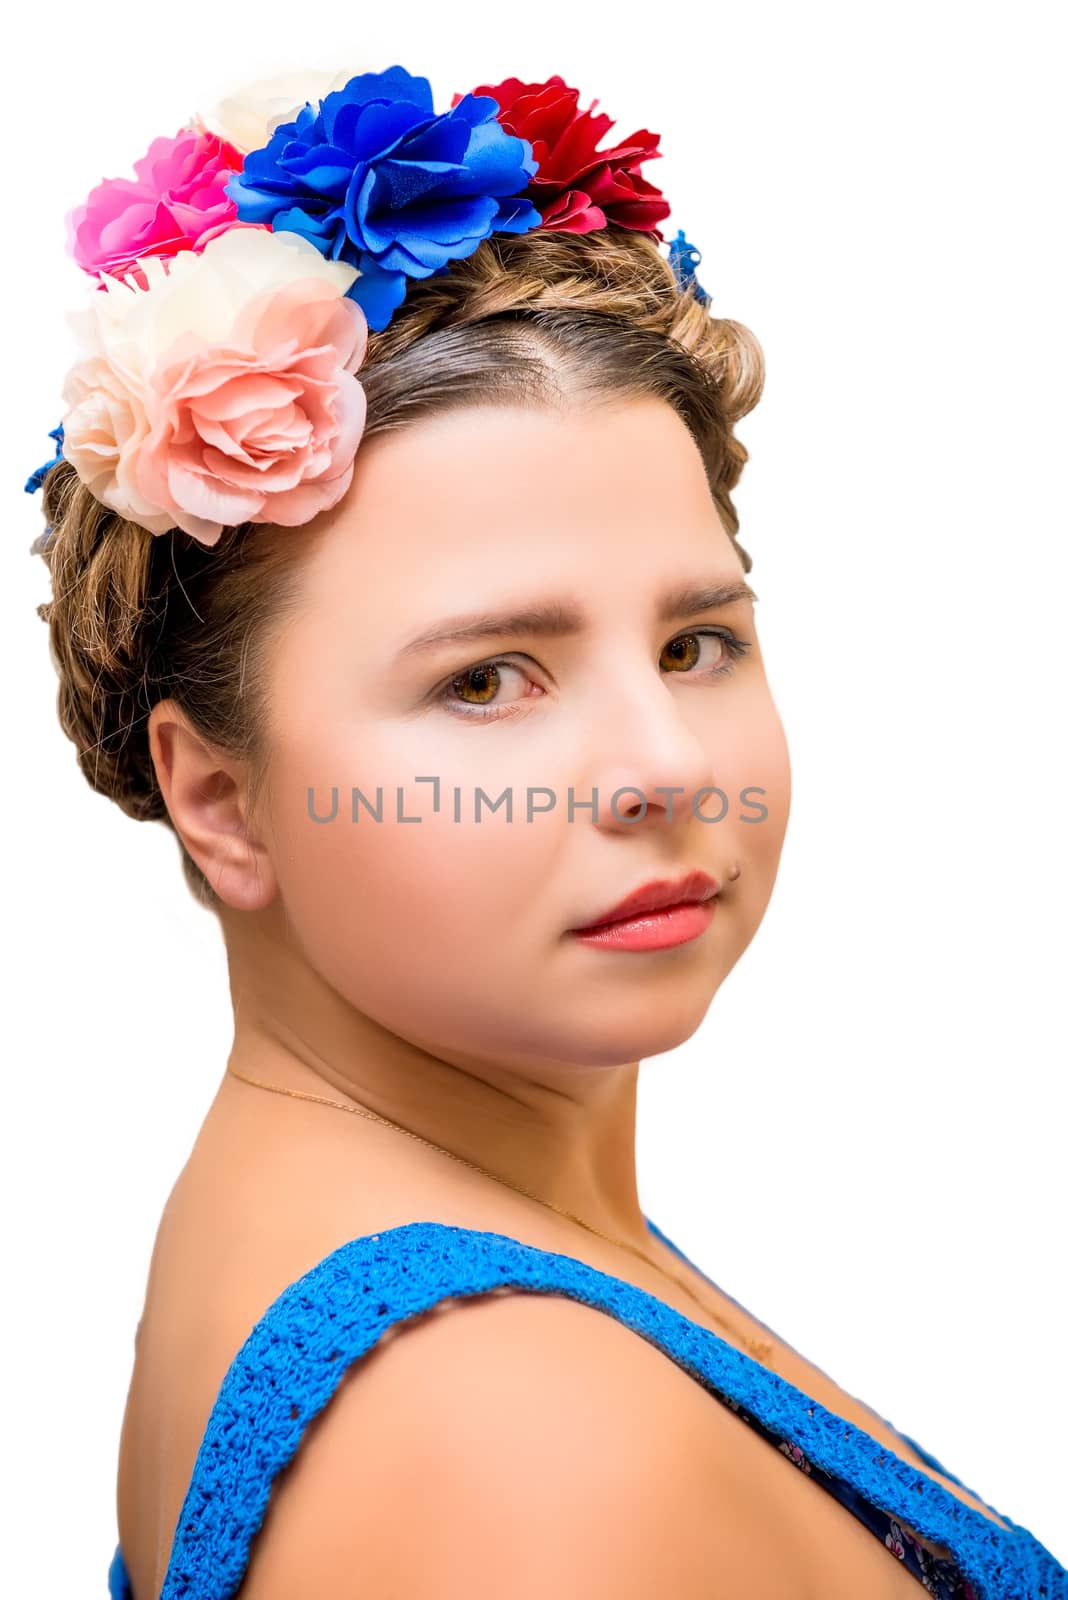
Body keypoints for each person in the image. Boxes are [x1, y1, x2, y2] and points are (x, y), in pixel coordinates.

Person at [28, 63, 1066, 1600]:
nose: (661, 767)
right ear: (219, 796)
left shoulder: (398, 1217)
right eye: (488, 679)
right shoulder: (519, 1446)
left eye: (695, 643)